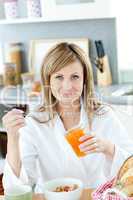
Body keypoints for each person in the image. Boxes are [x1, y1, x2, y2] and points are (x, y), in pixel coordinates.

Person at [2, 42, 133, 192]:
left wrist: (108, 148)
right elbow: (15, 187)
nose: (67, 86)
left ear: (85, 79)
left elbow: (130, 166)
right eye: (59, 77)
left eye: (75, 77)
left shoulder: (103, 115)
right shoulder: (34, 123)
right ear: (48, 80)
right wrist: (12, 138)